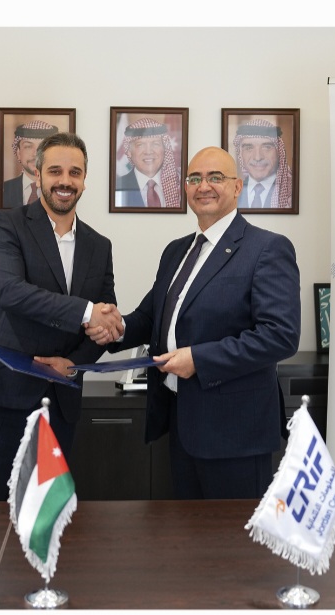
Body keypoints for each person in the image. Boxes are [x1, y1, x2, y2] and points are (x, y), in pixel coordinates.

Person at [90, 146, 301, 500]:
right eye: (195, 178)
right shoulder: (176, 250)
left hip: (235, 433)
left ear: (237, 187)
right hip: (180, 422)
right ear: (185, 187)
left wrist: (198, 359)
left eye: (215, 177)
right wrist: (116, 328)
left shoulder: (267, 248)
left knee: (233, 533)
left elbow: (280, 335)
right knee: (186, 531)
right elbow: (152, 317)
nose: (204, 186)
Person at [0, 132, 123, 501]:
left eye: (74, 172)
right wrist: (87, 312)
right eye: (55, 171)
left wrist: (76, 362)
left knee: (46, 513)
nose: (65, 181)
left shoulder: (99, 245)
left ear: (84, 179)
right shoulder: (7, 225)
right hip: (4, 396)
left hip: (61, 401)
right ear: (37, 174)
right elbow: (10, 292)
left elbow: (105, 320)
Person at [114, 118, 181, 209]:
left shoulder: (180, 185)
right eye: (140, 145)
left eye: (155, 144)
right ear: (129, 152)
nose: (148, 152)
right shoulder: (117, 186)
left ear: (165, 149)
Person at [233, 119, 293, 210]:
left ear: (279, 152)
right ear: (240, 154)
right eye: (249, 148)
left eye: (267, 147)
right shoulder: (231, 192)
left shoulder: (293, 191)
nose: (258, 157)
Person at [1, 120, 59, 209]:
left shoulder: (61, 189)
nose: (35, 154)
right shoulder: (4, 190)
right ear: (18, 153)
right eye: (28, 146)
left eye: (43, 147)